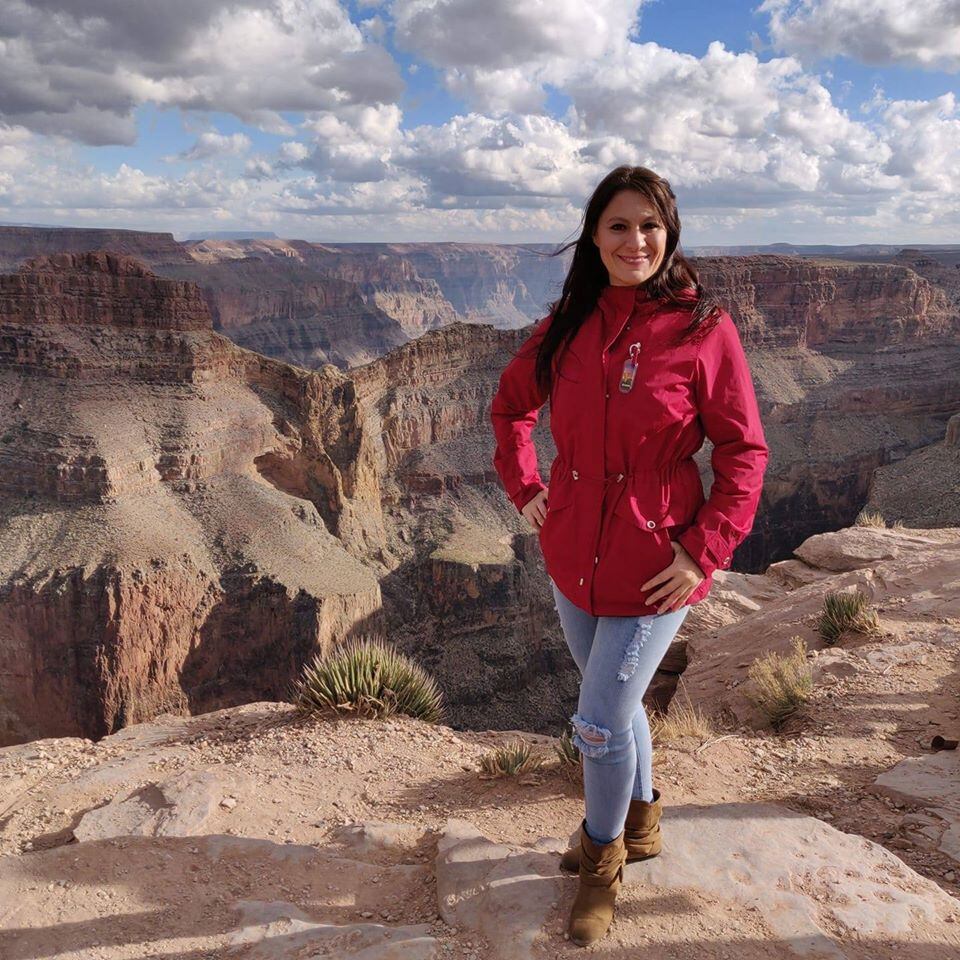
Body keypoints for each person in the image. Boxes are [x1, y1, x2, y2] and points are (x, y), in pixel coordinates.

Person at [489, 165, 769, 947]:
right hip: (573, 549)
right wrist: (527, 488)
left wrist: (703, 553)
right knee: (614, 705)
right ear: (594, 235)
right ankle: (642, 822)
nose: (635, 240)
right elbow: (511, 407)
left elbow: (745, 452)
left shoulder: (702, 328)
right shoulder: (568, 321)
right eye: (618, 225)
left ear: (669, 232)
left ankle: (600, 859)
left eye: (650, 225)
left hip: (657, 562)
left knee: (600, 718)